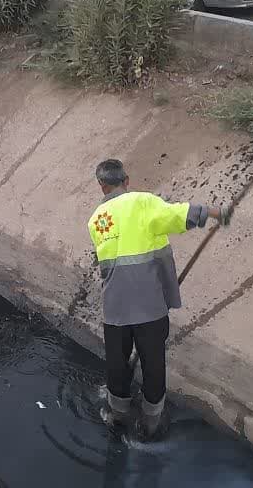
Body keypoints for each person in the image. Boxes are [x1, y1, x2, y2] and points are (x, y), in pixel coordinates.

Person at [87, 158, 230, 439]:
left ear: (101, 185)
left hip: (115, 309)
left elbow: (109, 263)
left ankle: (118, 415)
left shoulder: (96, 220)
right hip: (150, 307)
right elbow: (176, 216)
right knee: (153, 362)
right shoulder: (141, 201)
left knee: (117, 362)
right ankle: (151, 423)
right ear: (126, 181)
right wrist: (213, 212)